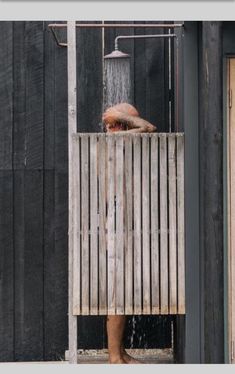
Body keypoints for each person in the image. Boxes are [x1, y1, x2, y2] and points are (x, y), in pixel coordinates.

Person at [102, 102, 157, 364]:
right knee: (117, 288)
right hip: (115, 217)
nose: (110, 127)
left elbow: (146, 128)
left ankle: (119, 352)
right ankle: (114, 356)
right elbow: (148, 127)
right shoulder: (113, 140)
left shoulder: (122, 141)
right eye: (117, 123)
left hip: (121, 216)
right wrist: (122, 117)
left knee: (121, 288)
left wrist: (123, 116)